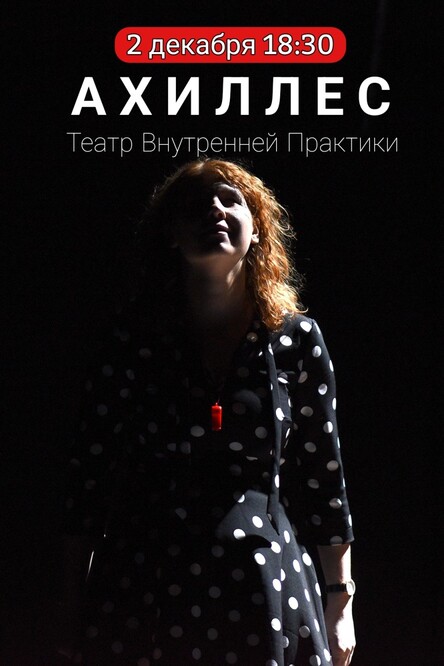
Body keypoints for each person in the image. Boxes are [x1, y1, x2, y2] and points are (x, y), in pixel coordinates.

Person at [58, 158, 356, 666]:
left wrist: (340, 601)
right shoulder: (132, 339)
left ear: (257, 231)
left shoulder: (296, 339)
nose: (214, 210)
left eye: (230, 200)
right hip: (145, 579)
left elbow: (324, 475)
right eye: (195, 205)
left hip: (263, 581)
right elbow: (90, 475)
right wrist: (69, 602)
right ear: (171, 235)